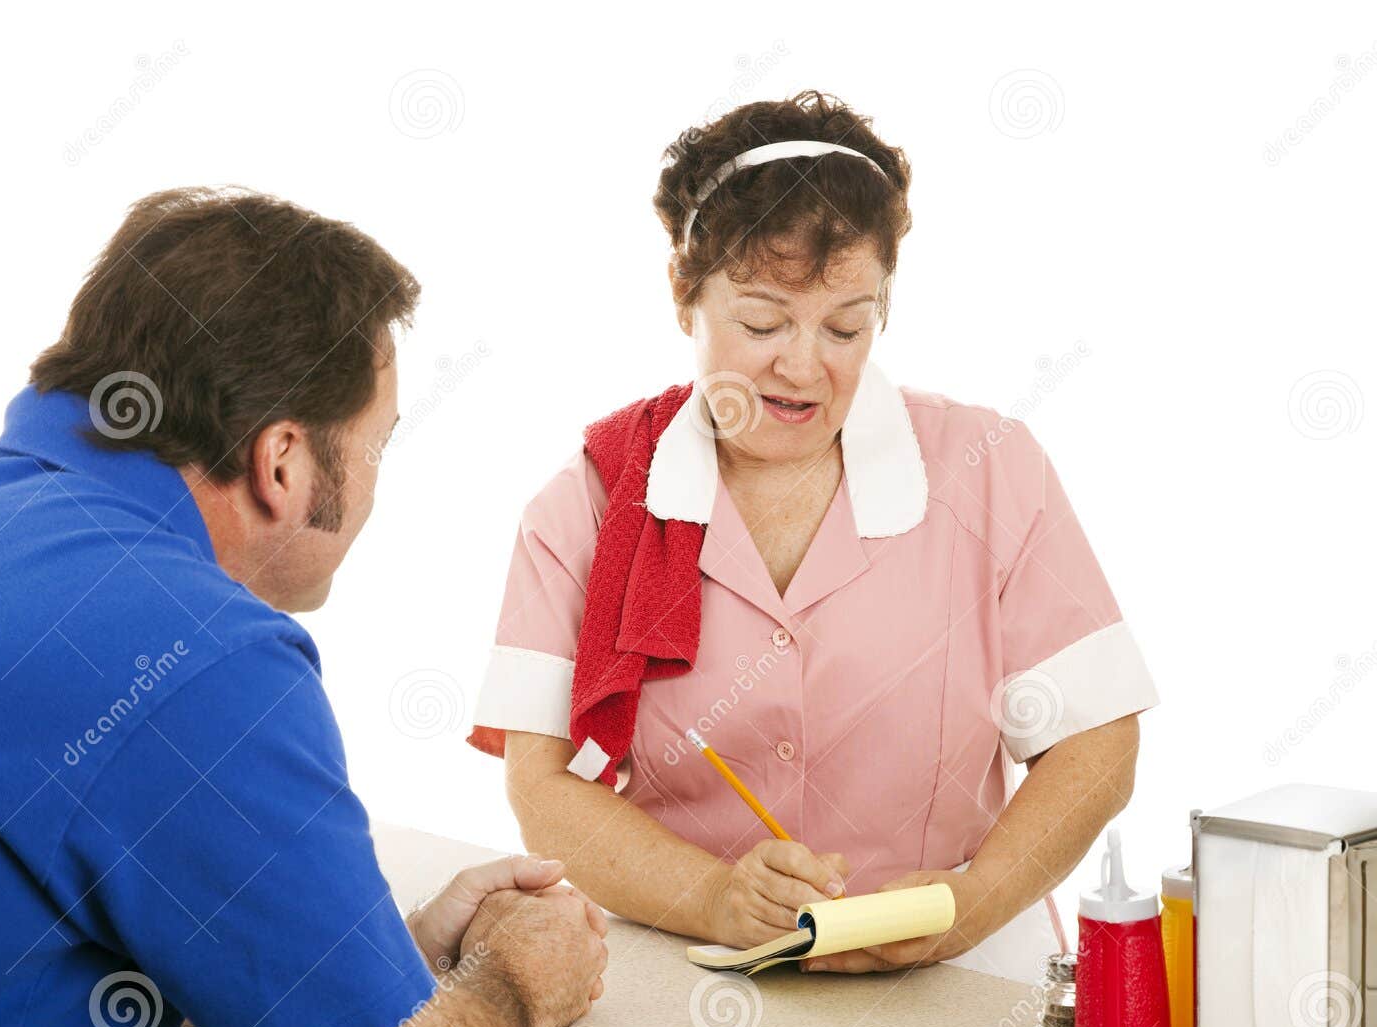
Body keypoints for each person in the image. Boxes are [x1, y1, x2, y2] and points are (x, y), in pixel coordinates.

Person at [0, 187, 605, 1027]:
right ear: (281, 461)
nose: (373, 484)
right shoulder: (201, 652)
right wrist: (510, 972)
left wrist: (371, 959)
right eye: (377, 445)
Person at [469, 93, 1159, 980]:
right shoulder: (589, 508)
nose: (803, 366)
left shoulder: (988, 468)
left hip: (962, 975)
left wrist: (967, 905)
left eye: (847, 325)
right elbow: (544, 785)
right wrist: (714, 894)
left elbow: (1096, 744)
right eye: (761, 323)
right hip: (690, 974)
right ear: (685, 294)